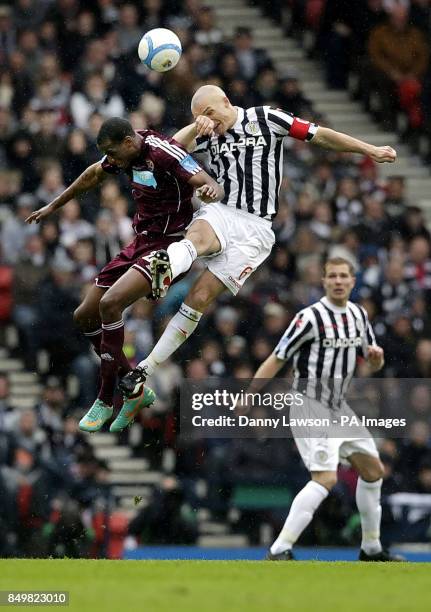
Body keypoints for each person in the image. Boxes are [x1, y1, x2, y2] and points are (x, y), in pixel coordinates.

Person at [120, 84, 397, 408]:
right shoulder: (207, 134)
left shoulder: (266, 118)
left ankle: (143, 369)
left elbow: (319, 134)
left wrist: (370, 150)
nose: (208, 121)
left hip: (256, 230)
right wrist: (197, 126)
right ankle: (165, 267)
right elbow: (166, 149)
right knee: (197, 237)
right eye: (200, 117)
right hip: (224, 211)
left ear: (226, 101)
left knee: (200, 297)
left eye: (209, 112)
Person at [26, 117, 223, 433]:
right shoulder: (125, 153)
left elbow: (205, 180)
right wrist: (53, 206)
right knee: (84, 315)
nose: (111, 161)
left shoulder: (163, 152)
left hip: (169, 246)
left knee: (110, 305)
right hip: (140, 241)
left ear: (129, 143)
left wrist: (211, 188)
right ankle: (133, 387)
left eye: (113, 154)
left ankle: (105, 399)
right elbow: (92, 175)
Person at [249, 257, 403, 562]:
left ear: (352, 281)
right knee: (325, 479)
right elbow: (278, 357)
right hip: (310, 404)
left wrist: (376, 359)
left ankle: (371, 548)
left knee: (373, 471)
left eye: (343, 276)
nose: (338, 281)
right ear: (324, 281)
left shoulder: (359, 315)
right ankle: (279, 549)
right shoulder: (309, 317)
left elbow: (373, 358)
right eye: (332, 276)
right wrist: (250, 394)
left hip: (338, 407)